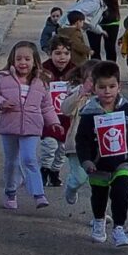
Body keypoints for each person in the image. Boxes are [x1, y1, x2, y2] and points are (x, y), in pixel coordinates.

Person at [0, 42, 64, 210]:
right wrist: (1, 103)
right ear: (12, 60)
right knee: (11, 162)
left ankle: (39, 194)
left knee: (30, 159)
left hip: (32, 127)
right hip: (9, 126)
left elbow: (47, 106)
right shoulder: (2, 78)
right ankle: (10, 191)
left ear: (35, 61)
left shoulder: (41, 82)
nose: (23, 62)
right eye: (18, 58)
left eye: (27, 59)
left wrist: (54, 122)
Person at [75, 62, 128, 247]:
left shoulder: (126, 109)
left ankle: (119, 228)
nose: (107, 92)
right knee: (99, 195)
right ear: (94, 88)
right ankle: (98, 221)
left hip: (121, 161)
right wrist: (86, 160)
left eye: (112, 86)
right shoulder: (89, 113)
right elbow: (82, 140)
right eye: (102, 87)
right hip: (97, 164)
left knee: (121, 193)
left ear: (119, 86)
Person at [38, 38, 76, 187]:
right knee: (49, 145)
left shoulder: (75, 71)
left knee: (62, 148)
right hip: (48, 116)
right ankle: (44, 170)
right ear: (50, 53)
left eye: (66, 53)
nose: (62, 57)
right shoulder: (43, 70)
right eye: (58, 53)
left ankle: (55, 172)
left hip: (67, 117)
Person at [62, 61, 99, 207]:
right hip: (77, 145)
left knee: (101, 182)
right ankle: (71, 187)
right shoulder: (78, 93)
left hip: (99, 146)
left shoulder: (107, 96)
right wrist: (79, 93)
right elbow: (65, 109)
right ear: (84, 80)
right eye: (91, 80)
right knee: (80, 177)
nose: (95, 84)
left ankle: (100, 215)